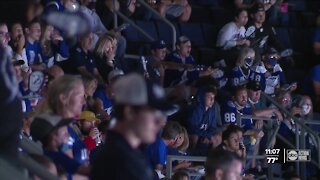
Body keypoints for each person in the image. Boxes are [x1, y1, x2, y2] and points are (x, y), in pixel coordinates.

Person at [91, 73, 177, 180]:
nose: (160, 122)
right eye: (153, 113)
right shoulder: (120, 160)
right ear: (130, 112)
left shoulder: (127, 154)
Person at [30, 113, 90, 177]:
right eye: (65, 133)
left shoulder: (56, 153)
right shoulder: (52, 158)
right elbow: (82, 170)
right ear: (52, 136)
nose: (68, 135)